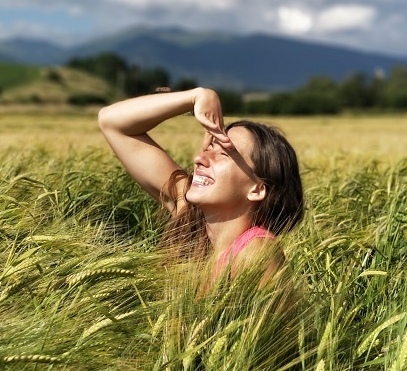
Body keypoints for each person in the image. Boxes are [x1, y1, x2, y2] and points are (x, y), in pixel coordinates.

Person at [98, 87, 304, 283]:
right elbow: (112, 121)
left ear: (257, 189)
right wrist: (197, 96)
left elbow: (270, 321)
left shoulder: (256, 253)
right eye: (209, 148)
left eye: (224, 154)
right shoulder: (190, 217)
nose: (199, 158)